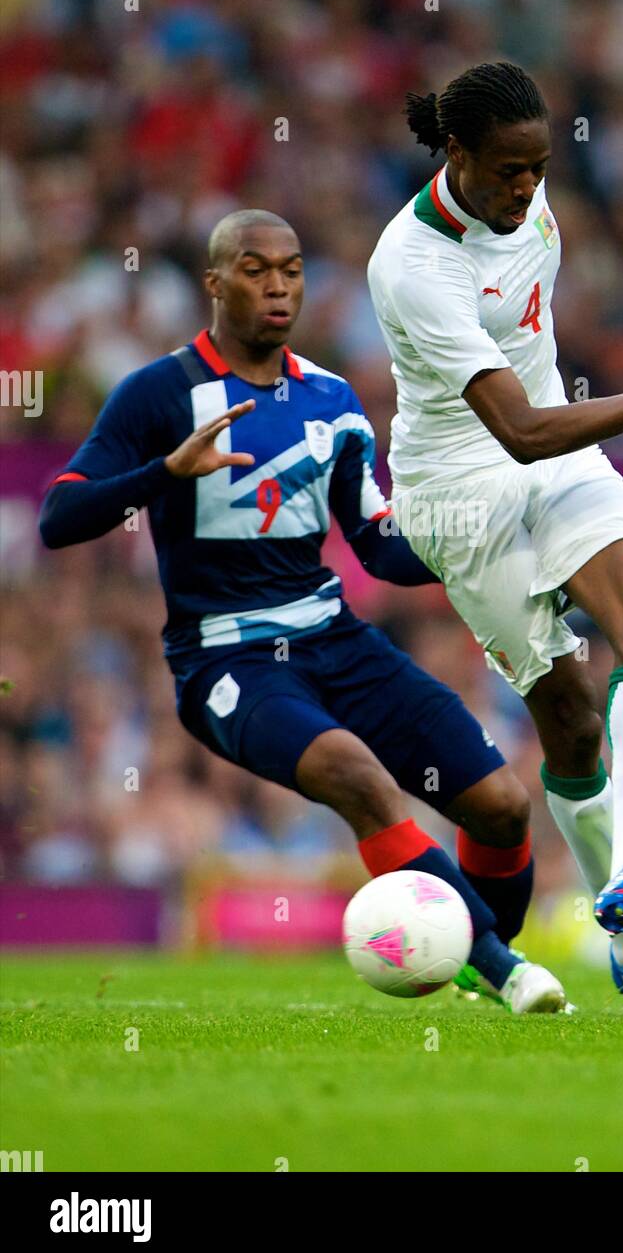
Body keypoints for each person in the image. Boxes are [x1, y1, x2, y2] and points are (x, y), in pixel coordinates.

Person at [39, 208, 568, 1015]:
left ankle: (478, 960)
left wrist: (480, 540)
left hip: (332, 639)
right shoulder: (157, 395)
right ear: (215, 283)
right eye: (255, 269)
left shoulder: (331, 400)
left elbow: (377, 548)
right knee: (357, 776)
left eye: (290, 268)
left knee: (501, 805)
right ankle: (501, 971)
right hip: (226, 661)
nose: (278, 284)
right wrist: (165, 474)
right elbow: (59, 518)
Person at [368, 62, 623, 1017]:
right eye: (508, 170)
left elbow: (542, 362)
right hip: (461, 492)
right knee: (572, 722)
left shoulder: (532, 211)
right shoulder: (410, 265)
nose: (526, 188)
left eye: (538, 169)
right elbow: (517, 429)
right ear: (455, 154)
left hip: (557, 458)